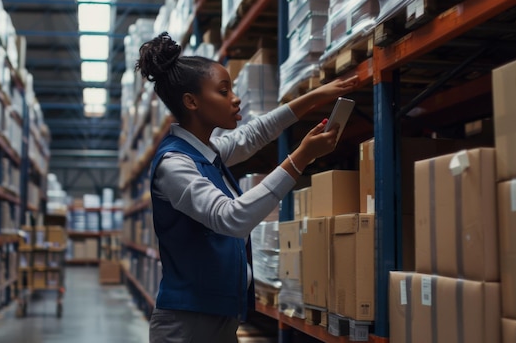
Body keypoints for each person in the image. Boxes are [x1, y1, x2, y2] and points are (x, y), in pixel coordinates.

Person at [135, 32, 358, 343]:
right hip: (187, 324)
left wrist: (314, 98)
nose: (235, 98)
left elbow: (252, 135)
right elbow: (231, 219)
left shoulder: (204, 152)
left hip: (219, 315)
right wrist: (302, 156)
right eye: (224, 91)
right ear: (192, 102)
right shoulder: (175, 164)